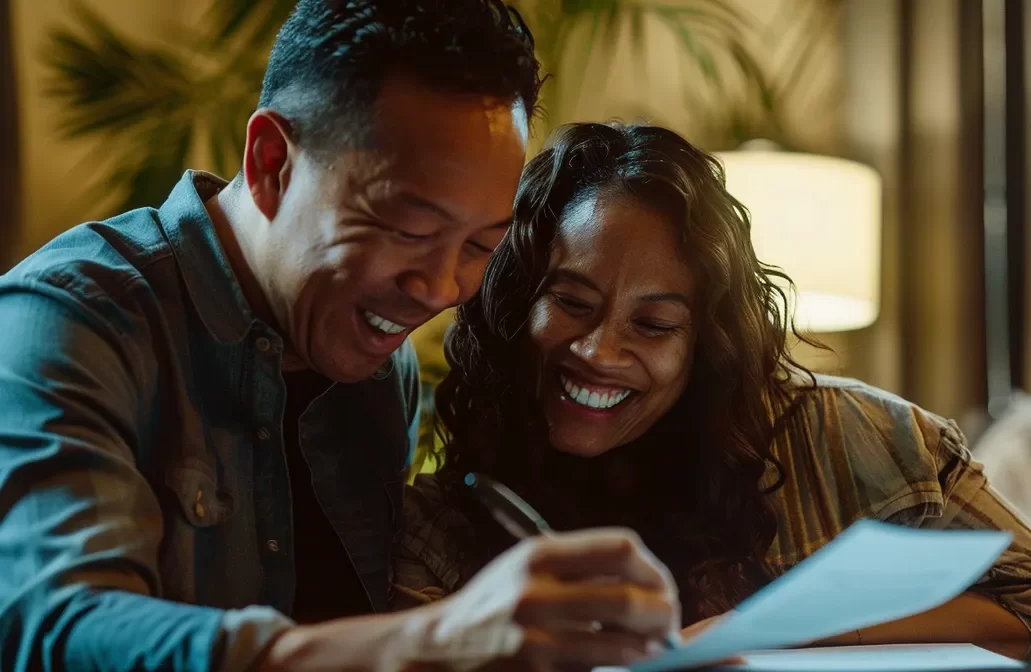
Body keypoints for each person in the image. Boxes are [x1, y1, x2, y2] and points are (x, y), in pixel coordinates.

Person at [0, 4, 682, 671]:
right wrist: (433, 640)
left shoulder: (379, 368)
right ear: (272, 163)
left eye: (480, 244)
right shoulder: (67, 319)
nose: (441, 289)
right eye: (409, 231)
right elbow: (58, 630)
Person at [393, 122, 1031, 644]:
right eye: (571, 303)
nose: (600, 350)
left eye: (654, 323)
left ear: (703, 344)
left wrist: (789, 631)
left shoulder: (851, 438)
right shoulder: (437, 525)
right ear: (513, 305)